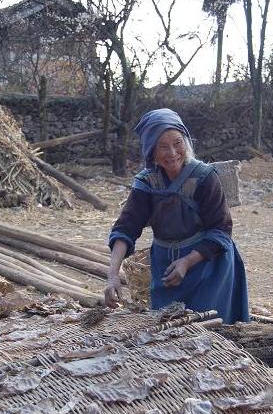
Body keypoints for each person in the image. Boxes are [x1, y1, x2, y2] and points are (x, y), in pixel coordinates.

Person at [105, 108, 249, 324]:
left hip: (208, 266)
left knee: (208, 330)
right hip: (166, 267)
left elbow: (220, 230)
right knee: (168, 329)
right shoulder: (147, 183)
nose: (172, 153)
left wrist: (188, 261)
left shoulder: (204, 177)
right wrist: (112, 274)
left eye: (178, 143)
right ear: (151, 150)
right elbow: (126, 228)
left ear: (186, 142)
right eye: (162, 146)